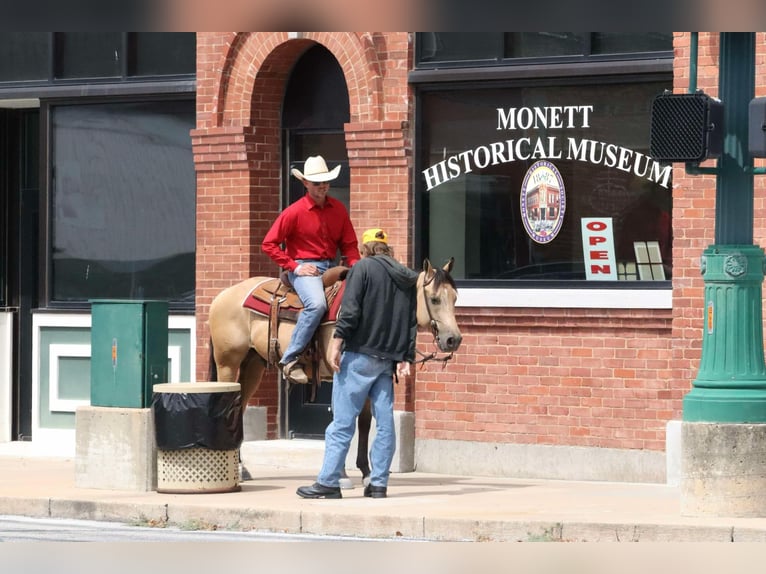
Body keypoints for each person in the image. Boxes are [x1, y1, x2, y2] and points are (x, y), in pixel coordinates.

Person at [296, 228, 419, 499]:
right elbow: (410, 320)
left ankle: (328, 482)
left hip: (359, 357)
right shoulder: (407, 277)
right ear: (388, 250)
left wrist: (336, 343)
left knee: (342, 422)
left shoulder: (362, 269)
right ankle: (378, 484)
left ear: (364, 250)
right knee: (385, 424)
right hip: (386, 362)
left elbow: (350, 311)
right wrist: (406, 357)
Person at [262, 155, 360, 384]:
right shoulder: (294, 212)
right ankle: (290, 359)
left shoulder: (339, 209)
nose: (322, 186)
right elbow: (268, 244)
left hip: (332, 266)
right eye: (317, 183)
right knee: (316, 305)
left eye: (325, 181)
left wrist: (356, 268)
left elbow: (350, 246)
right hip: (304, 268)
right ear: (305, 183)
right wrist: (294, 266)